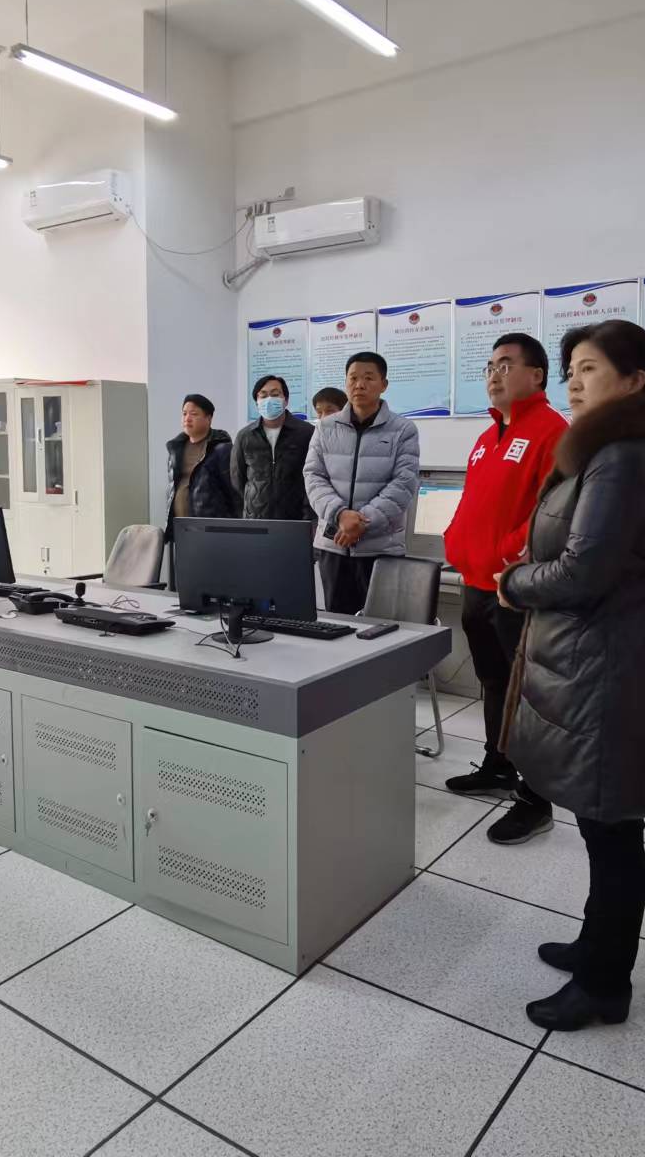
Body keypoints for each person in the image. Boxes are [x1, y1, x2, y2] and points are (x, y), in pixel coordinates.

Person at [499, 320, 645, 1032]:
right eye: (572, 369)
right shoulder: (608, 450)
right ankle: (595, 945)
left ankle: (606, 984)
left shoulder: (625, 457)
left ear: (635, 380)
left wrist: (514, 583)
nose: (574, 382)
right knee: (600, 821)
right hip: (597, 654)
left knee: (612, 828)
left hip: (610, 663)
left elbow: (583, 571)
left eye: (589, 369)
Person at [441, 333, 567, 845]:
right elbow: (473, 502)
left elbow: (549, 513)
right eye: (490, 366)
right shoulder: (486, 435)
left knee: (528, 694)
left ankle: (536, 799)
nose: (494, 374)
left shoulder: (552, 431)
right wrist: (456, 540)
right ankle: (498, 764)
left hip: (516, 586)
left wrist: (507, 556)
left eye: (506, 365)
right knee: (493, 682)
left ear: (536, 376)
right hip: (476, 583)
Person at [303, 352, 421, 615]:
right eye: (353, 378)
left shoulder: (403, 430)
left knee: (382, 625)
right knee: (338, 622)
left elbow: (404, 483)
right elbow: (313, 476)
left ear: (384, 384)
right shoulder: (325, 427)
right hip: (334, 545)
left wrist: (361, 522)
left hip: (381, 548)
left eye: (368, 378)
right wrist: (340, 515)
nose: (359, 385)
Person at [164, 394, 239, 585]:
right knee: (185, 583)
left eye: (194, 414)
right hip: (182, 530)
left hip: (211, 532)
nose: (187, 418)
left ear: (209, 418)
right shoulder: (176, 448)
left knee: (213, 582)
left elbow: (234, 492)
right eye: (184, 413)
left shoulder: (222, 449)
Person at [231, 374, 316, 522]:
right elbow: (237, 479)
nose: (269, 399)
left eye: (275, 394)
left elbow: (314, 476)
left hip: (297, 519)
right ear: (257, 402)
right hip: (256, 519)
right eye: (263, 396)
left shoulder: (306, 432)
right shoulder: (245, 436)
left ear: (286, 400)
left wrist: (309, 517)